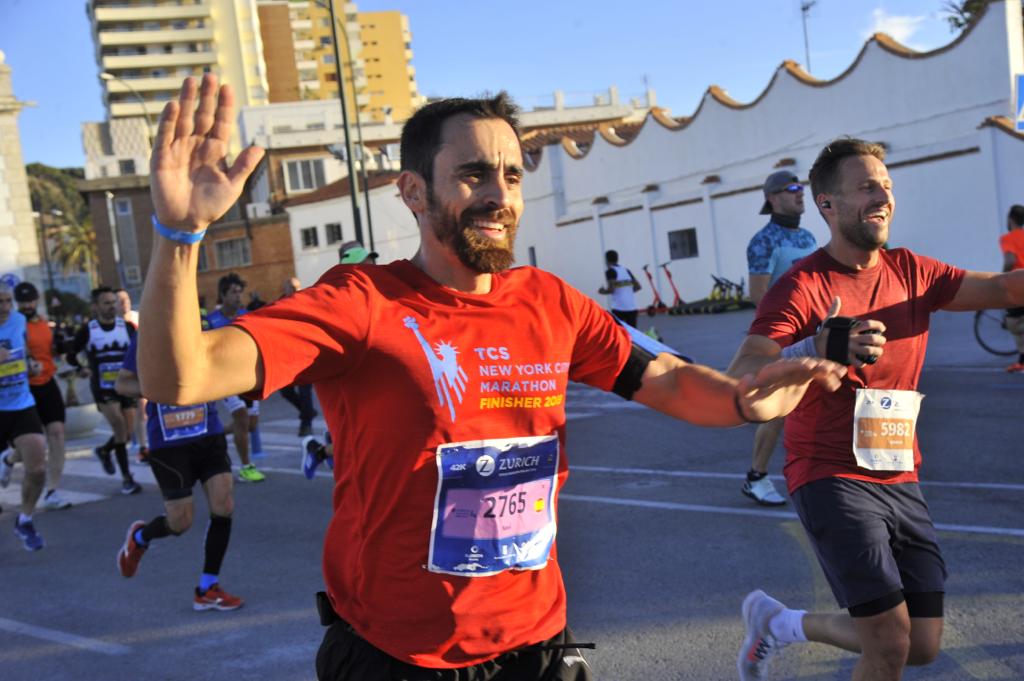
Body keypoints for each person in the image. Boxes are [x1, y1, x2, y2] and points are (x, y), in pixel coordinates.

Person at [137, 75, 843, 680]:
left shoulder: (551, 301)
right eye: (473, 173)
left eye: (511, 176)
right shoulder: (361, 302)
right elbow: (182, 376)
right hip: (394, 654)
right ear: (413, 191)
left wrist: (749, 400)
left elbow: (670, 381)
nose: (498, 195)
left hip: (536, 642)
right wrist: (178, 236)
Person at [728, 138, 1024, 681]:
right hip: (829, 474)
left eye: (886, 185)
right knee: (888, 644)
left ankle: (780, 623)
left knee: (921, 645)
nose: (882, 196)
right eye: (866, 187)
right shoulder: (804, 286)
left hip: (899, 472)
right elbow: (743, 371)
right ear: (828, 205)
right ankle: (782, 625)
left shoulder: (913, 271)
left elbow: (1005, 286)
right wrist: (814, 348)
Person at [113, 334, 243, 611]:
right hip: (169, 444)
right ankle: (139, 538)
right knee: (180, 523)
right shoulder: (148, 336)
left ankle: (207, 587)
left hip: (208, 433)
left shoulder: (203, 331)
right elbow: (122, 383)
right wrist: (161, 388)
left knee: (224, 504)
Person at [741, 170, 818, 506]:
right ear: (773, 198)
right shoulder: (763, 241)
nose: (800, 193)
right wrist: (789, 332)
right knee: (779, 409)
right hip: (784, 336)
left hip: (817, 334)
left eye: (802, 188)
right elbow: (759, 295)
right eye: (792, 189)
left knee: (821, 403)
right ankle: (756, 477)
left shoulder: (809, 238)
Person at [66, 286, 141, 495]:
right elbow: (71, 355)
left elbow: (140, 352)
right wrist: (81, 369)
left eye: (113, 302)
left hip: (126, 386)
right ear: (95, 307)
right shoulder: (89, 330)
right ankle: (127, 479)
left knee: (126, 433)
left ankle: (104, 450)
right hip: (103, 388)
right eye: (106, 303)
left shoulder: (127, 328)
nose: (111, 307)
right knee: (118, 427)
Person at [5, 282, 72, 509]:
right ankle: (8, 459)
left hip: (46, 382)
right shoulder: (13, 323)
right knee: (31, 445)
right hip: (22, 388)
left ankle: (52, 491)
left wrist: (61, 346)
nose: (27, 305)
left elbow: (50, 351)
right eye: (22, 301)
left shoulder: (44, 323)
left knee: (57, 433)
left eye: (30, 300)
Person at [204, 273, 265, 482]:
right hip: (225, 379)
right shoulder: (210, 320)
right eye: (233, 292)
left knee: (251, 424)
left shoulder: (247, 316)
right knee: (241, 416)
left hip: (248, 377)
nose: (238, 296)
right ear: (223, 295)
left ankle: (213, 436)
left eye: (240, 292)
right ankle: (246, 467)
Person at [0, 283, 48, 550]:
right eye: (0, 301)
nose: (5, 307)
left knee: (38, 466)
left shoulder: (19, 320)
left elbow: (24, 350)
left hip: (20, 403)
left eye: (8, 301)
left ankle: (25, 520)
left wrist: (31, 365)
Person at [116, 287, 148, 462]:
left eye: (126, 299)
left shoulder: (136, 318)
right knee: (128, 416)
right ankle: (136, 441)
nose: (124, 303)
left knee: (142, 409)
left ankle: (143, 445)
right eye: (120, 301)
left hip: (140, 368)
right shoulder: (114, 324)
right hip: (124, 372)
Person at [999, 204, 1024, 372]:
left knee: (1014, 323)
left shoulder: (1008, 238)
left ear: (1010, 220)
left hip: (1017, 283)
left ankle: (1022, 361)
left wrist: (1002, 278)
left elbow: (1009, 260)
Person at [597, 249, 641, 327]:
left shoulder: (610, 271)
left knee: (618, 334)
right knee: (632, 335)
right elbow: (638, 287)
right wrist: (626, 291)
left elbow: (612, 289)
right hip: (631, 308)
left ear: (606, 260)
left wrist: (602, 291)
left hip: (619, 308)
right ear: (617, 259)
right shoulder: (626, 270)